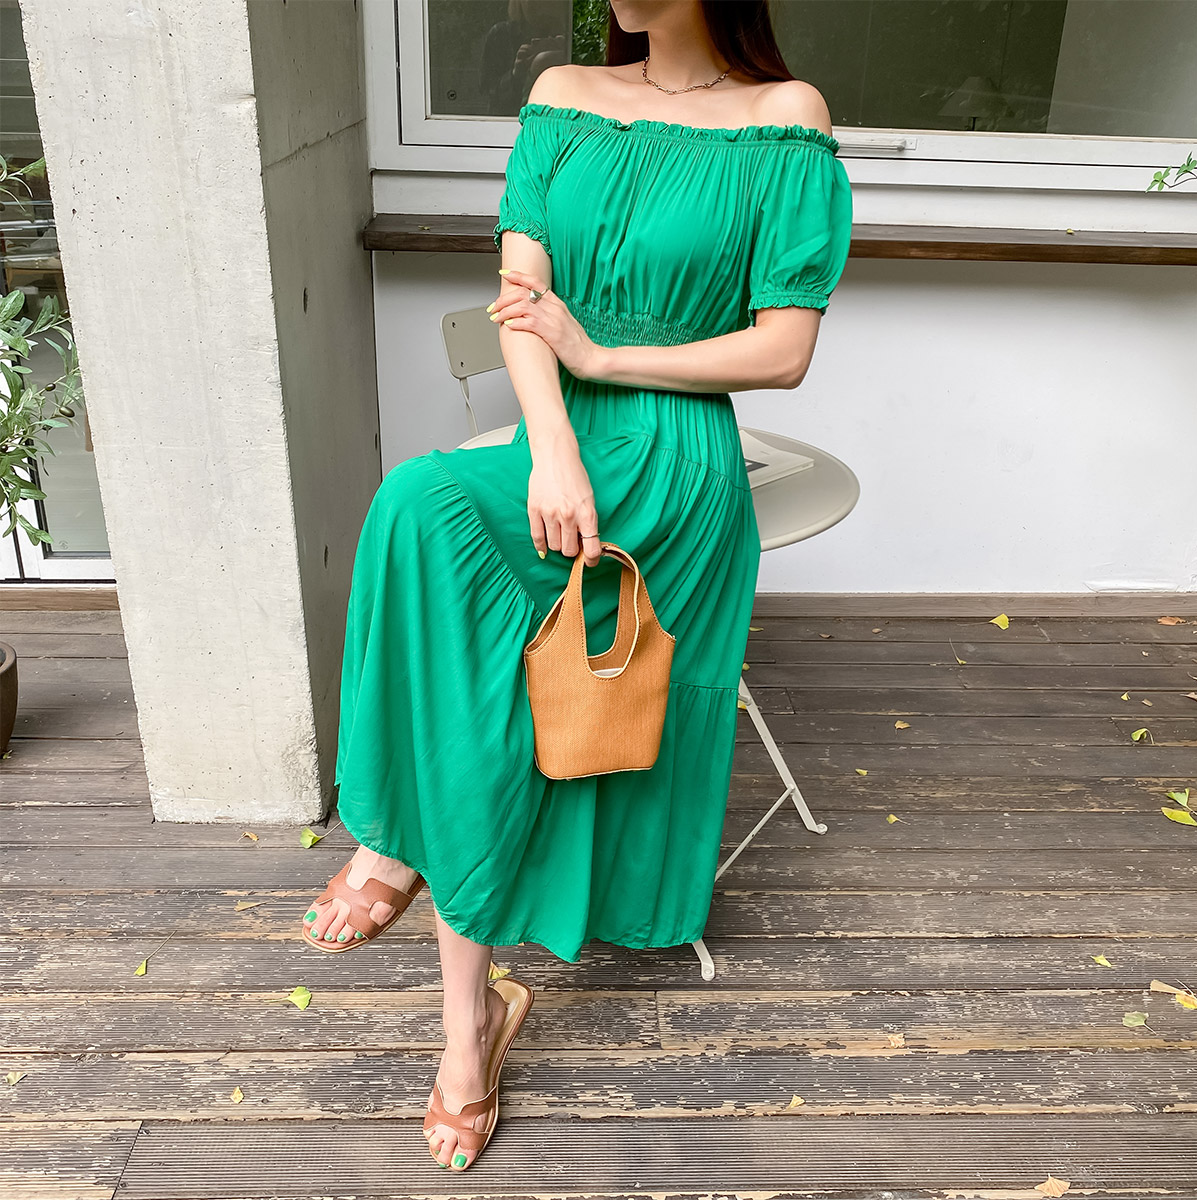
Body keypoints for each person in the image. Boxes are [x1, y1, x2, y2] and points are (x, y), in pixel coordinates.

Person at [299, 0, 853, 1174]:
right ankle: (413, 876)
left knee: (498, 712)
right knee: (418, 508)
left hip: (677, 460)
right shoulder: (564, 95)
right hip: (559, 438)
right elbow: (520, 300)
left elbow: (784, 347)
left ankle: (463, 1020)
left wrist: (604, 355)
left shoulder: (783, 118)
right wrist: (550, 446)